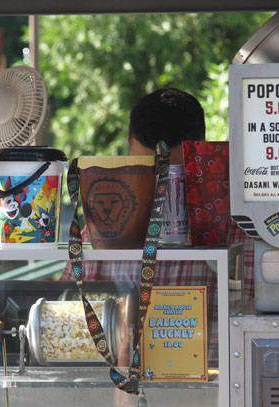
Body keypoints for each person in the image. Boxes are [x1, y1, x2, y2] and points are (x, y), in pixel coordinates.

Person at [61, 87, 253, 363]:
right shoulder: (105, 225)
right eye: (148, 173)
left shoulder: (237, 224)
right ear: (129, 148)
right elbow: (66, 311)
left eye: (175, 177)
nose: (162, 192)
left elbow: (260, 324)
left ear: (201, 152)